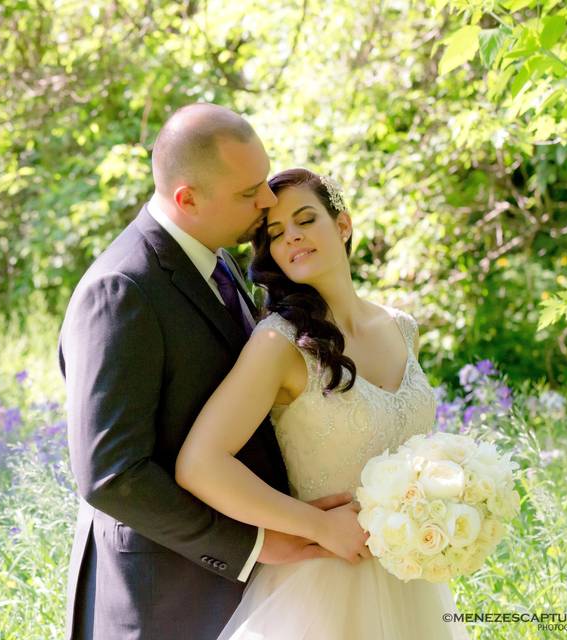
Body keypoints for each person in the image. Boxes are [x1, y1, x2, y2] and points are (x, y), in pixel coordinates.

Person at [59, 105, 355, 639]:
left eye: (263, 181)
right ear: (186, 198)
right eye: (249, 193)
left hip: (251, 595)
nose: (267, 201)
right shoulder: (122, 289)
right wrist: (256, 544)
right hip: (160, 601)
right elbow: (111, 474)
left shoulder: (219, 263)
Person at [175, 168, 469, 639]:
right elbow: (200, 464)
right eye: (275, 233)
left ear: (344, 225)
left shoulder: (402, 328)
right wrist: (316, 525)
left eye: (305, 220)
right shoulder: (280, 343)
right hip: (324, 589)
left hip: (412, 581)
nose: (291, 237)